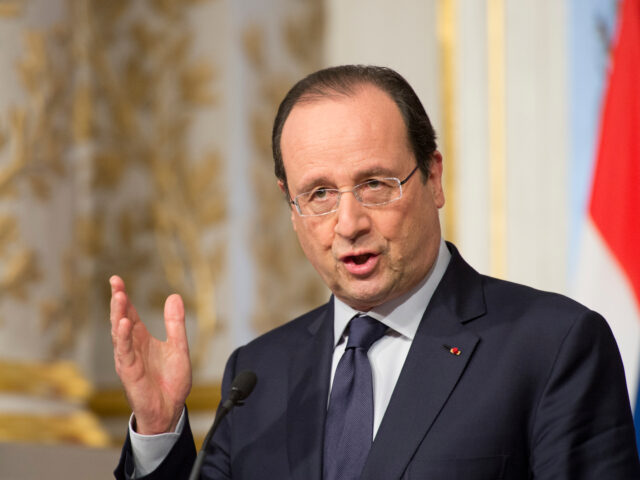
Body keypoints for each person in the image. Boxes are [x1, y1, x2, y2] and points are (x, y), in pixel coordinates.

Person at [112, 65, 640, 479]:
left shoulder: (551, 346)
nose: (349, 223)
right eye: (318, 194)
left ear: (433, 178)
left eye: (375, 184)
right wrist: (159, 430)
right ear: (290, 206)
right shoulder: (257, 376)